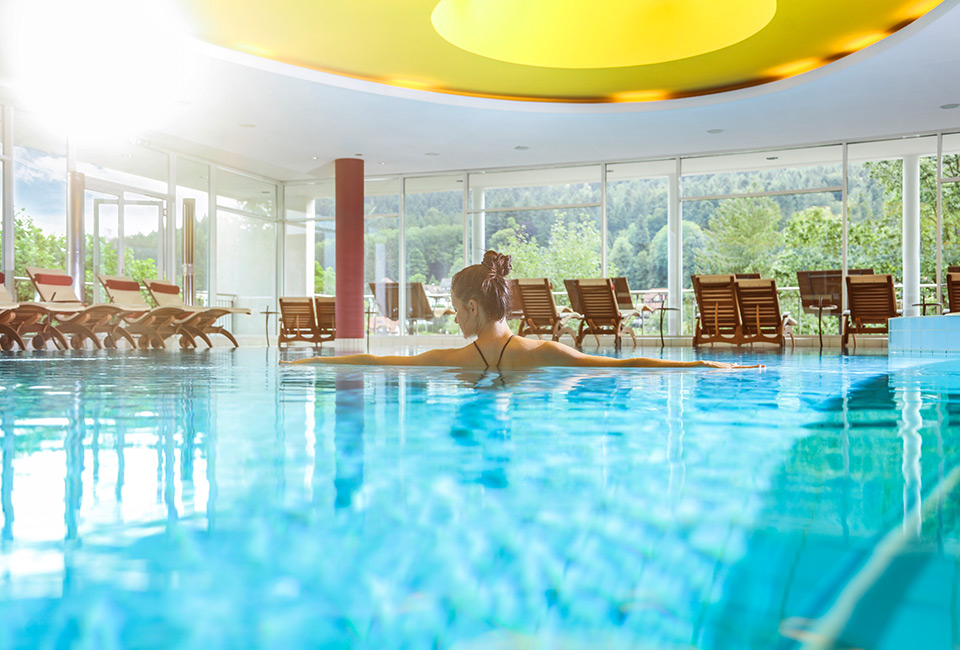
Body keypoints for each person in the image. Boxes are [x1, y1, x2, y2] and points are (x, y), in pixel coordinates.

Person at [282, 251, 762, 371]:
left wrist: (314, 362)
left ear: (472, 306)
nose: (454, 317)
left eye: (455, 308)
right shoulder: (543, 351)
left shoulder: (454, 361)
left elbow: (376, 363)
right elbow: (626, 365)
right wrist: (705, 363)